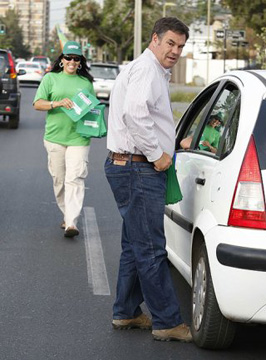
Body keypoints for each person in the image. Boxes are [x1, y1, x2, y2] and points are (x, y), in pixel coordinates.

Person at [104, 17, 192, 343]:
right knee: (152, 249)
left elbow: (145, 116)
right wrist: (158, 155)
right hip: (139, 167)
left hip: (130, 165)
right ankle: (167, 321)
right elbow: (135, 115)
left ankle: (125, 312)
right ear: (155, 39)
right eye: (170, 43)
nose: (175, 51)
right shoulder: (146, 70)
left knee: (134, 245)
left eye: (181, 46)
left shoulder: (147, 69)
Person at [33, 41, 96, 238]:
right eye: (68, 57)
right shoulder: (50, 79)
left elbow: (92, 110)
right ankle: (66, 213)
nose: (72, 61)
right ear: (62, 60)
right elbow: (37, 104)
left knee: (75, 178)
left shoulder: (86, 83)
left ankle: (71, 222)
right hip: (55, 138)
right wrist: (57, 103)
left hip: (79, 138)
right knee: (59, 180)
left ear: (80, 62)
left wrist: (96, 123)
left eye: (76, 59)